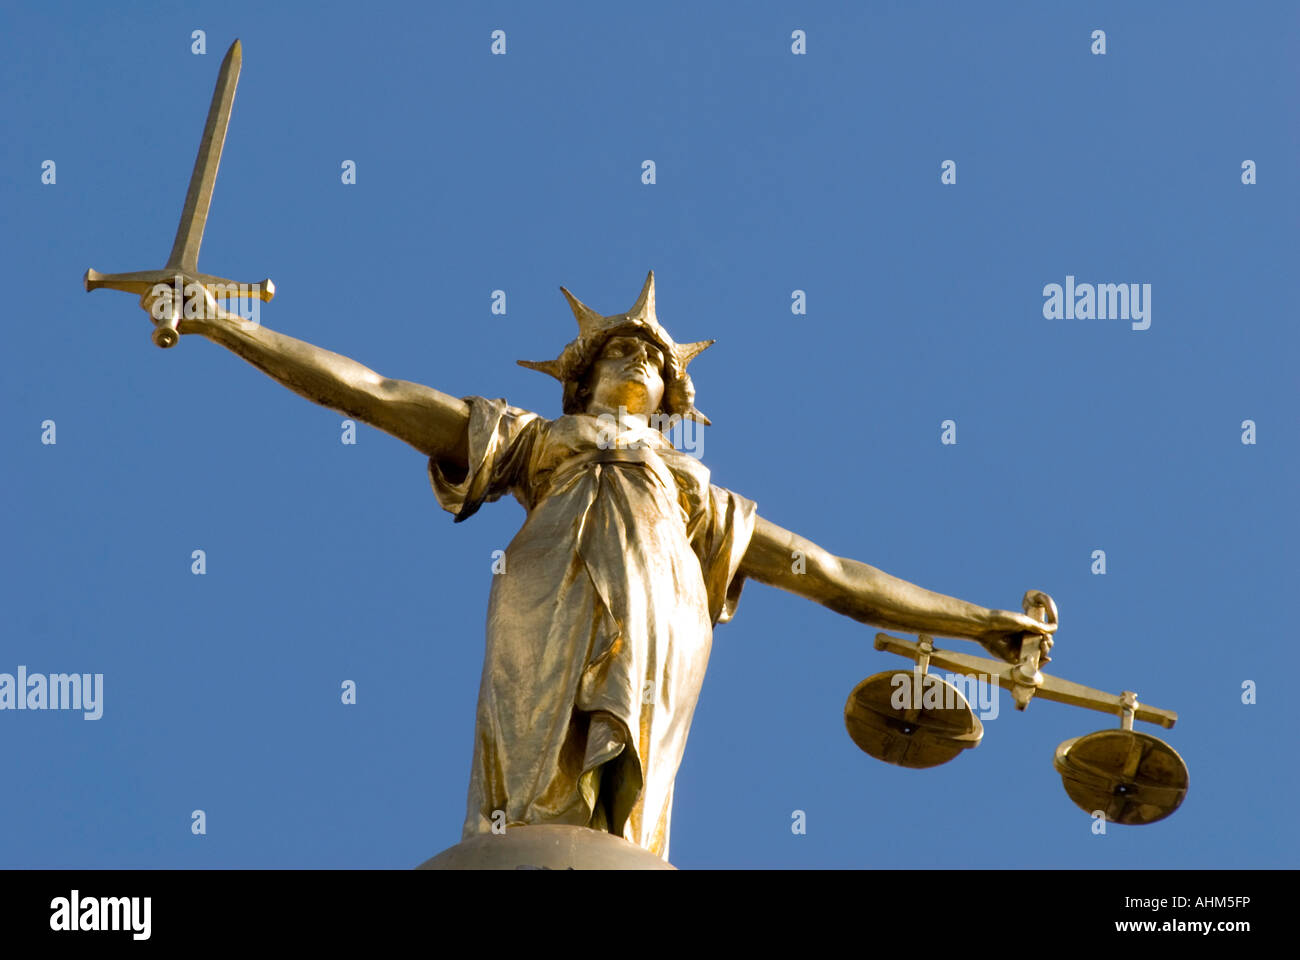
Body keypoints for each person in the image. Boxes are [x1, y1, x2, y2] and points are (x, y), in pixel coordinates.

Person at [152, 269, 1054, 861]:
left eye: (653, 358)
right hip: (549, 592)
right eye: (620, 349)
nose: (638, 359)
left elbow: (829, 572)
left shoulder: (697, 494)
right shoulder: (539, 442)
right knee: (537, 765)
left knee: (626, 801)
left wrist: (980, 622)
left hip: (664, 618)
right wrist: (227, 324)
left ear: (673, 396)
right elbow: (378, 394)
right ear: (579, 380)